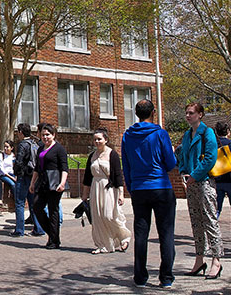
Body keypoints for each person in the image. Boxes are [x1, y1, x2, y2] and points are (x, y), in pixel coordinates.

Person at [121, 99, 178, 288]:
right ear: (153, 111)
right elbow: (170, 164)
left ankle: (140, 277)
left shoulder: (127, 135)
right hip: (161, 186)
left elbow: (126, 165)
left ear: (136, 113)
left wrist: (131, 186)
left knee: (141, 234)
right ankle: (166, 278)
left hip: (139, 188)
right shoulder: (160, 134)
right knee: (166, 233)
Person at [178, 102, 223, 279]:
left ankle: (216, 259)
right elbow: (182, 156)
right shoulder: (188, 135)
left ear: (200, 114)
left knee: (210, 220)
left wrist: (195, 175)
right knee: (196, 222)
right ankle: (199, 259)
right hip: (191, 184)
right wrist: (183, 172)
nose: (188, 116)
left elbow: (210, 158)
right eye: (186, 113)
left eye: (191, 113)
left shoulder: (207, 133)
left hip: (204, 183)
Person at [82, 128, 130, 254]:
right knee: (97, 218)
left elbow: (118, 175)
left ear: (106, 140)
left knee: (109, 215)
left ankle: (123, 237)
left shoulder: (112, 154)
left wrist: (121, 194)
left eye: (99, 139)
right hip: (95, 187)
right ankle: (103, 244)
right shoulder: (92, 156)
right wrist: (84, 194)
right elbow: (87, 177)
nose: (97, 141)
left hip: (109, 188)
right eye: (95, 139)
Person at [29, 123, 68, 249]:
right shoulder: (40, 149)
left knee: (53, 210)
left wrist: (62, 183)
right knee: (36, 207)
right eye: (43, 135)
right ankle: (52, 234)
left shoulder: (59, 149)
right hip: (42, 181)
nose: (45, 137)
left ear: (53, 135)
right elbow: (37, 167)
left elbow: (64, 168)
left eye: (48, 135)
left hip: (55, 182)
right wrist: (32, 183)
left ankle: (54, 241)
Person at [11, 124, 43, 237]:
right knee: (32, 203)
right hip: (32, 176)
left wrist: (15, 172)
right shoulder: (34, 143)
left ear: (21, 132)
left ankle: (19, 230)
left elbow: (19, 161)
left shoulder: (22, 145)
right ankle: (38, 228)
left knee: (19, 203)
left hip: (23, 176)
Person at [214, 121, 231, 219]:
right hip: (229, 179)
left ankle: (214, 229)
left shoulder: (213, 145)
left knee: (216, 208)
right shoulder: (230, 144)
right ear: (228, 131)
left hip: (217, 178)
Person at [0, 140, 16, 207]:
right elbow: (2, 169)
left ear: (12, 148)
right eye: (4, 147)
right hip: (3, 175)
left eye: (7, 147)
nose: (5, 148)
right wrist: (11, 177)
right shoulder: (1, 156)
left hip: (12, 174)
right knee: (12, 184)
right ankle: (17, 202)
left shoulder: (13, 156)